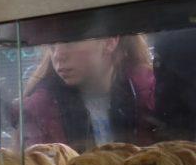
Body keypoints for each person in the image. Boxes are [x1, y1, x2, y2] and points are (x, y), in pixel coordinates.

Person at [21, 35, 156, 152]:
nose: (58, 55)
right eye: (51, 46)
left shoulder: (153, 96)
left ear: (109, 41)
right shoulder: (39, 111)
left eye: (70, 41)